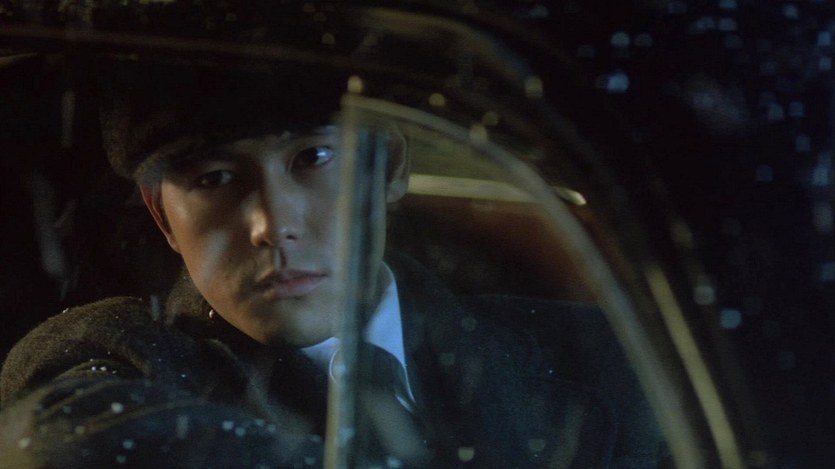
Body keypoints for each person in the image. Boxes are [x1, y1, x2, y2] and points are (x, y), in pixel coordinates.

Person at [0, 58, 666, 468]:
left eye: (313, 158)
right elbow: (64, 438)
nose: (271, 226)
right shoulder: (115, 355)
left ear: (388, 166)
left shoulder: (596, 354)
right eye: (215, 178)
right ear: (161, 216)